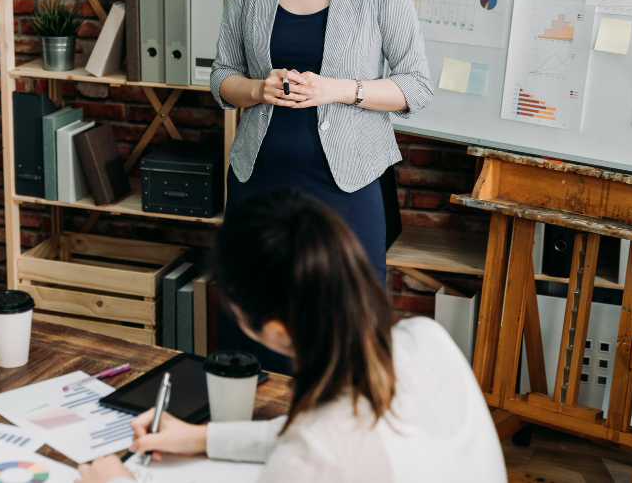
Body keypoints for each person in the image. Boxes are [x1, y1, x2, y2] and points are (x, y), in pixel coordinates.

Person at [76, 191, 506, 483]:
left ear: (276, 330)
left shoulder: (312, 457)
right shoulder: (427, 339)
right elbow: (312, 435)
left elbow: (318, 445)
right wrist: (201, 438)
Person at [208, 0, 432, 370]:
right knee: (250, 342)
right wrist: (255, 90)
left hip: (346, 190)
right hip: (258, 184)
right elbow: (220, 77)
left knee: (341, 342)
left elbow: (417, 88)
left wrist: (342, 90)